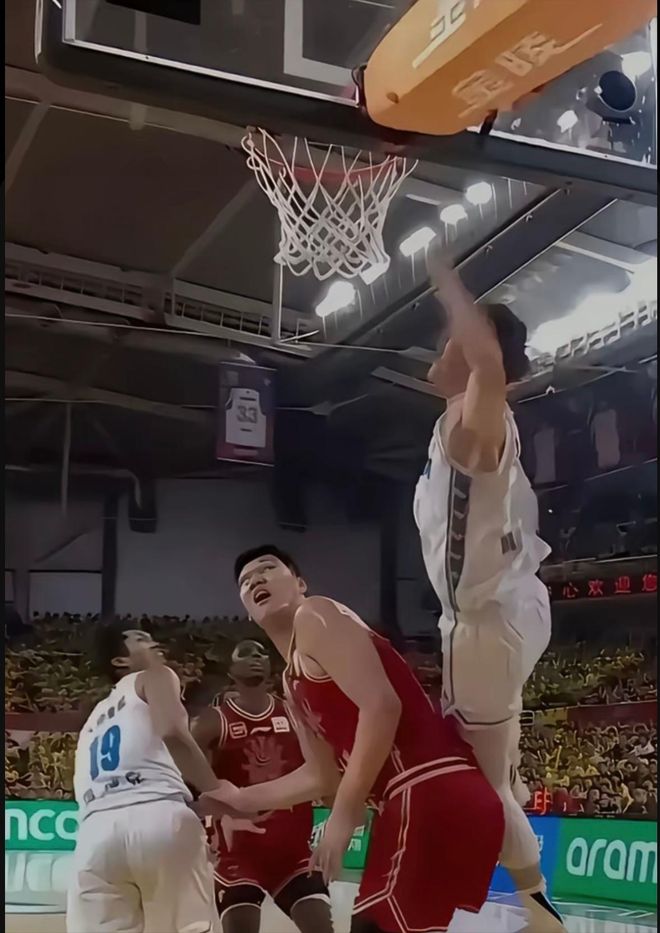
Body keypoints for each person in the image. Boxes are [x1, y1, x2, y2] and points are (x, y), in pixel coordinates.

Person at [200, 546, 504, 933]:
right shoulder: (291, 683)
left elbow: (381, 706)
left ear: (300, 583)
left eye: (267, 568)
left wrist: (343, 813)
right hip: (414, 803)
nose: (255, 579)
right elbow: (320, 776)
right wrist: (242, 798)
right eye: (246, 581)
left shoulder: (315, 614)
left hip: (428, 788)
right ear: (247, 610)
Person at [412, 245, 565, 932]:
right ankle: (513, 773)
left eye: (452, 337)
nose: (441, 346)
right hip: (513, 601)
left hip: (484, 621)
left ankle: (540, 909)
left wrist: (443, 274)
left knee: (486, 785)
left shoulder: (476, 422)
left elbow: (487, 364)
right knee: (496, 766)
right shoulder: (465, 426)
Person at [67, 619, 222, 933]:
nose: (154, 643)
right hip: (159, 816)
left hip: (94, 837)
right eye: (141, 638)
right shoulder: (155, 676)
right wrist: (217, 792)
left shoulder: (91, 720)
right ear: (120, 660)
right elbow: (173, 733)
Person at [191, 639, 332, 933]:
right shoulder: (212, 722)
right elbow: (189, 786)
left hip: (293, 853)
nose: (256, 656)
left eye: (262, 653)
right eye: (245, 653)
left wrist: (340, 813)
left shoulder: (295, 713)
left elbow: (323, 773)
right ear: (230, 670)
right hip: (237, 856)